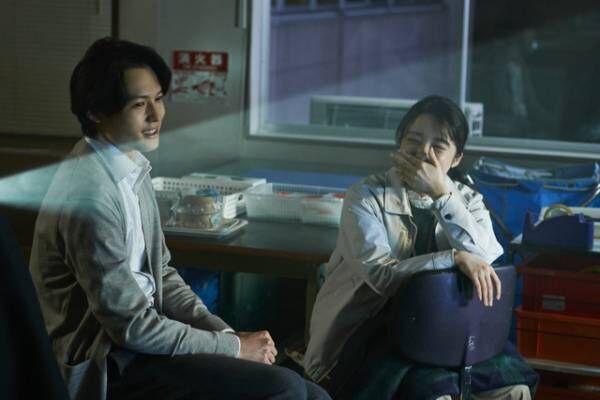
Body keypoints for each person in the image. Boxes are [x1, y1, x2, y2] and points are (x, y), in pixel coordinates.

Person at [29, 37, 330, 400]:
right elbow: (131, 327)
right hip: (110, 359)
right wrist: (234, 348)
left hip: (146, 341)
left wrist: (226, 336)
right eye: (139, 104)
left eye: (158, 99)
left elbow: (163, 274)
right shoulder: (88, 194)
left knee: (314, 394)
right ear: (96, 113)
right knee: (285, 389)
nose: (156, 115)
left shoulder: (130, 166)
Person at [303, 95, 537, 399]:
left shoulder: (468, 201)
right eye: (413, 141)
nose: (423, 153)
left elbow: (485, 257)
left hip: (446, 331)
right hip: (375, 332)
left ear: (456, 158)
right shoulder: (364, 196)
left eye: (438, 146)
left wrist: (442, 195)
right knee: (432, 394)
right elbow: (380, 276)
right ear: (399, 144)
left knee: (516, 389)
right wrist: (453, 258)